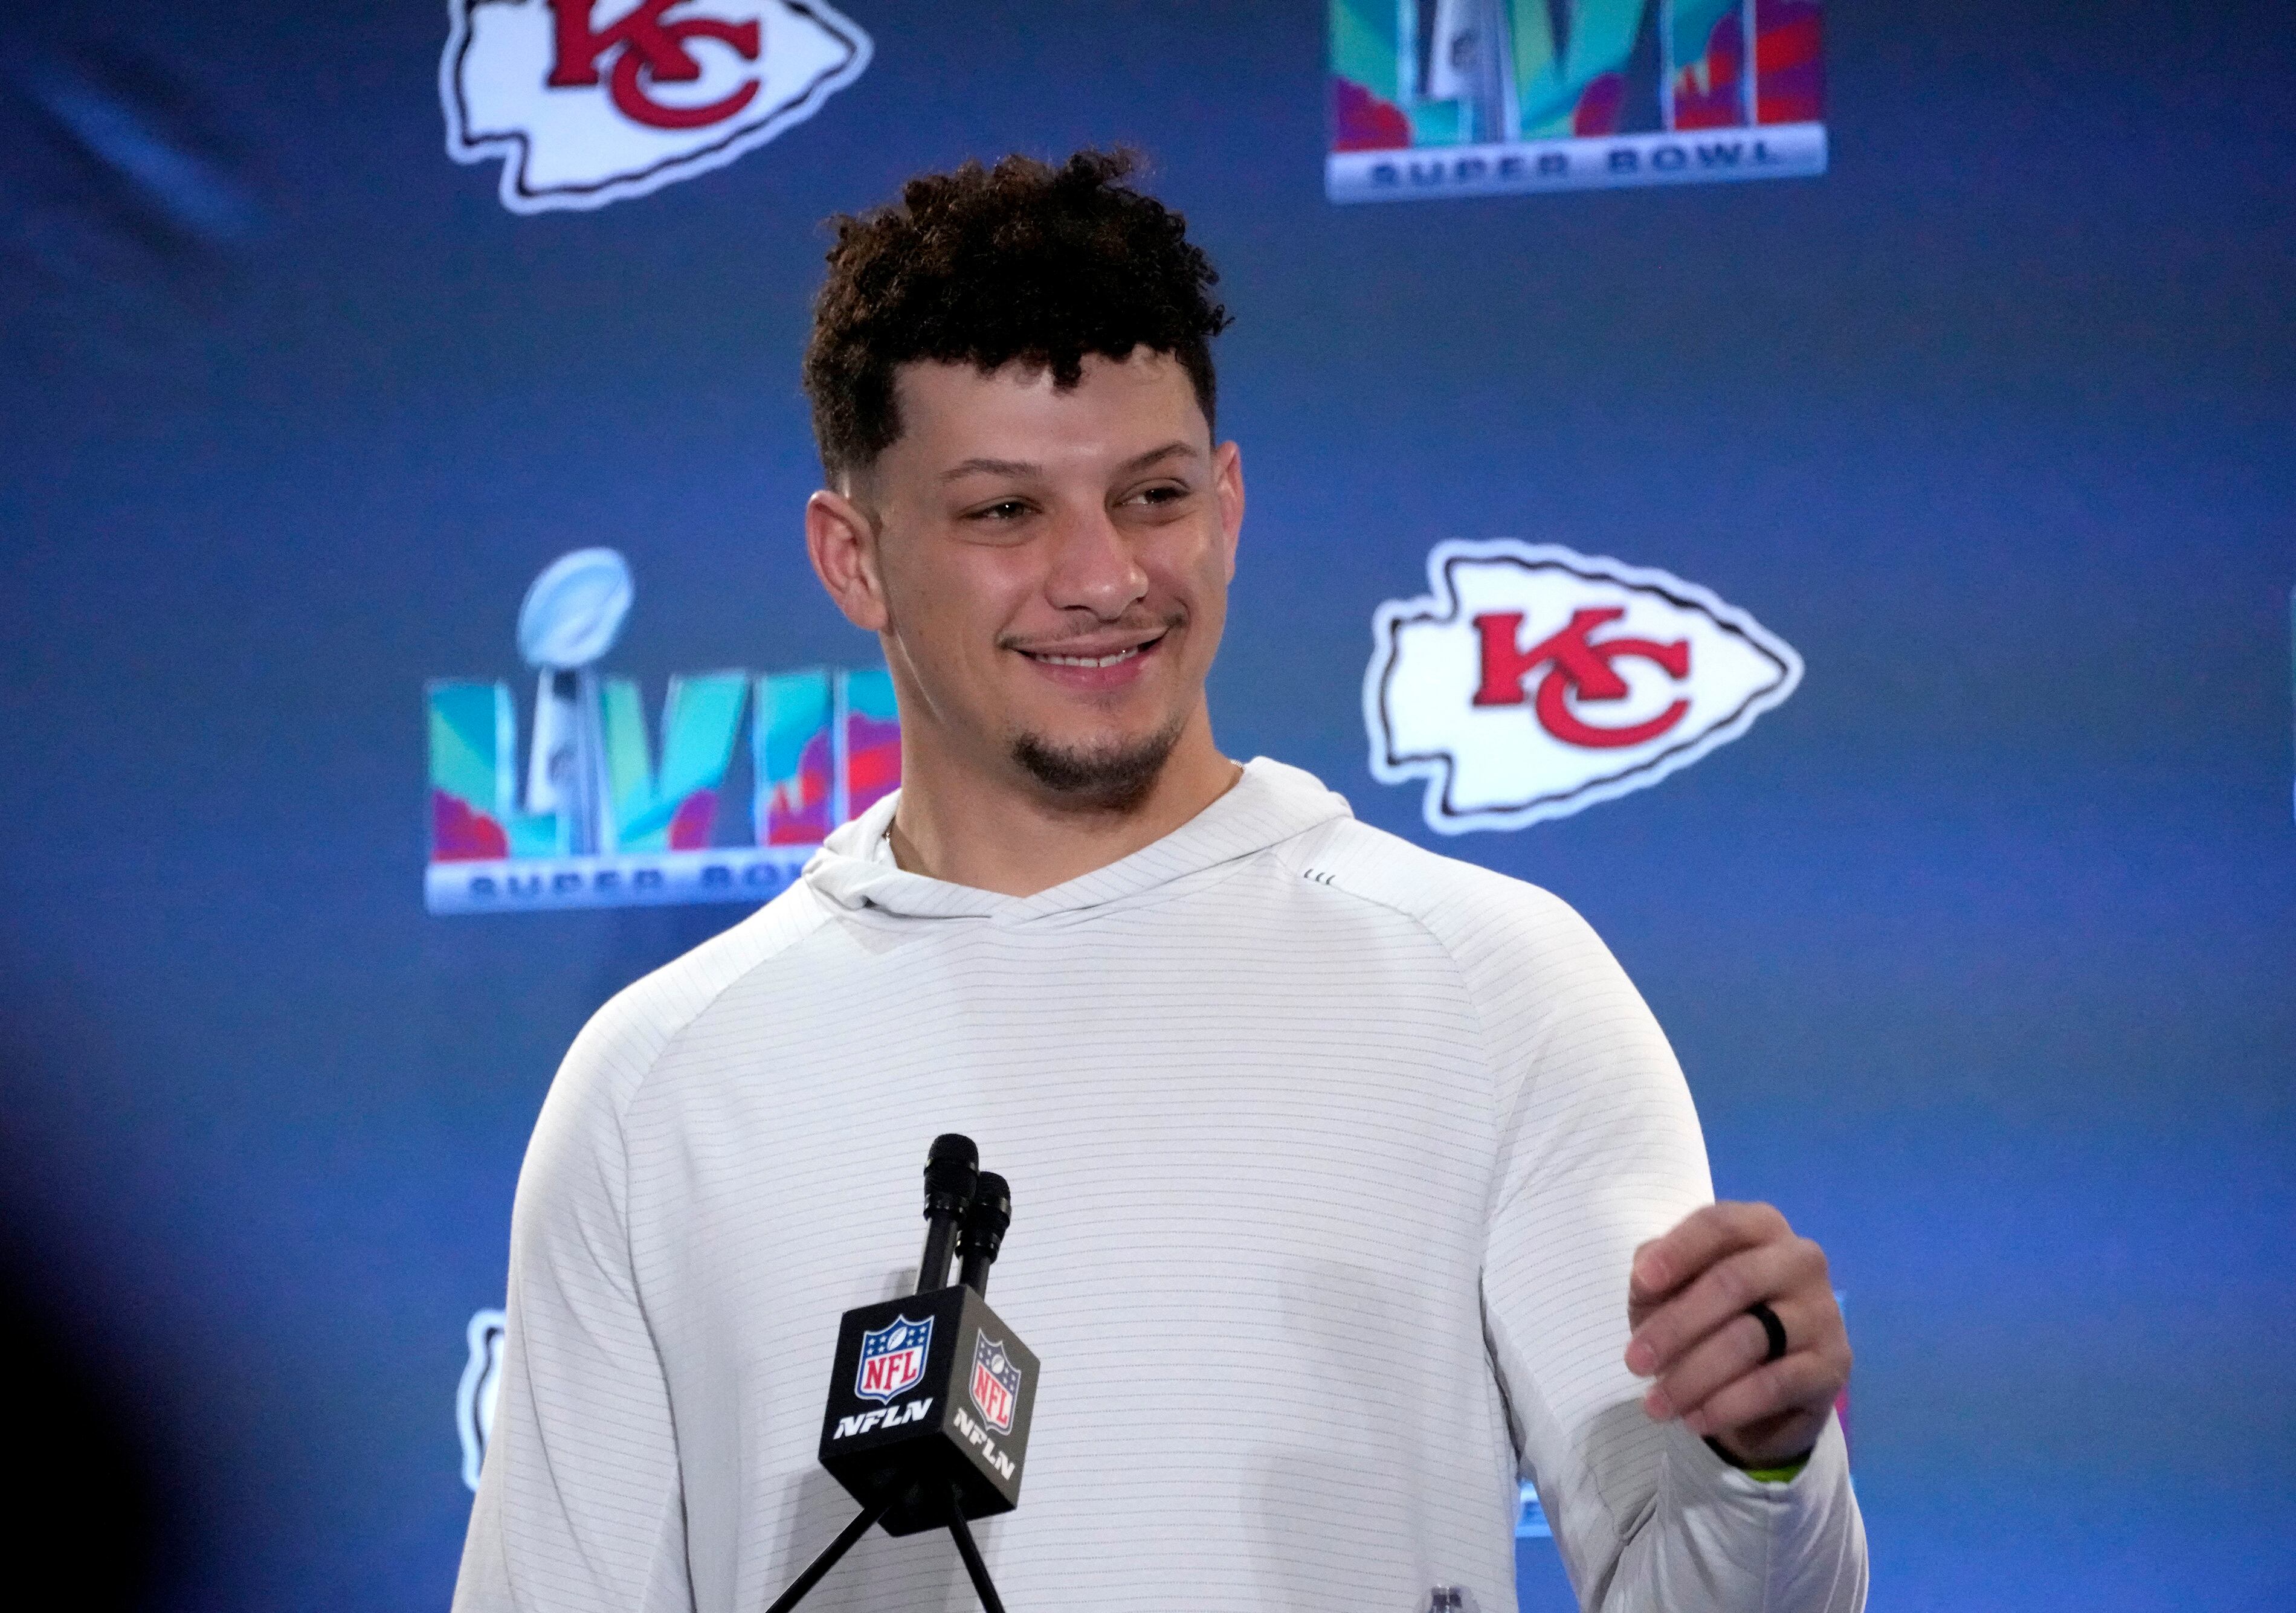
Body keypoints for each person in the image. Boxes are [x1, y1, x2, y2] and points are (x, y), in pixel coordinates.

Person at [453, 150, 1866, 1613]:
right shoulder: (656, 1087)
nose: (1103, 574)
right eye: (1004, 512)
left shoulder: (1492, 985)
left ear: (1230, 502)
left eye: (1152, 494)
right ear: (853, 559)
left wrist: (1760, 1463)